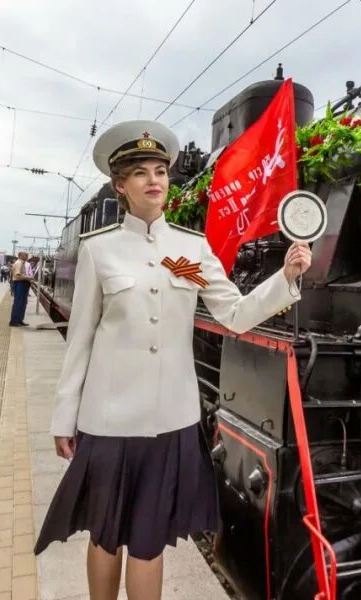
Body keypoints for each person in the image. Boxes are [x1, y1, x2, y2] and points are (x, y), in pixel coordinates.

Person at [33, 120, 312, 600]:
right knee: (105, 536)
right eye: (140, 172)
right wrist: (65, 416)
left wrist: (285, 278)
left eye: (160, 170)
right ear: (121, 186)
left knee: (148, 542)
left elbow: (235, 314)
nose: (154, 180)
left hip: (170, 421)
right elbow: (79, 339)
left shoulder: (190, 248)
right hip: (108, 418)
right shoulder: (98, 251)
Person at [9, 252, 32, 326]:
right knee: (18, 303)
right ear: (20, 256)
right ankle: (14, 321)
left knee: (23, 303)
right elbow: (17, 276)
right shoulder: (19, 263)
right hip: (20, 284)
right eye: (26, 255)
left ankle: (19, 320)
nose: (27, 256)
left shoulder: (22, 263)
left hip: (22, 284)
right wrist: (29, 277)